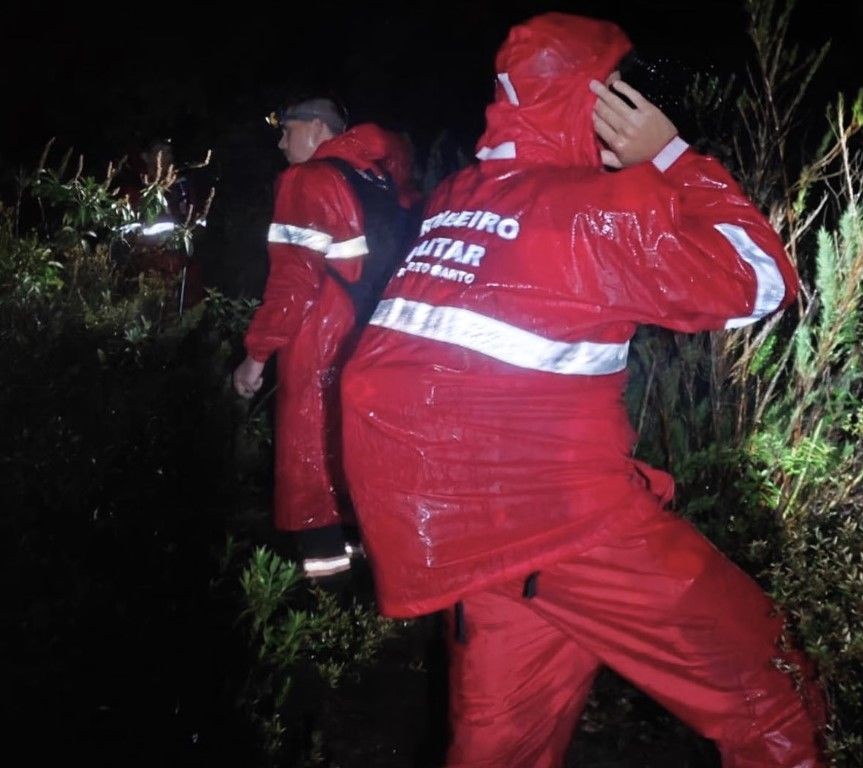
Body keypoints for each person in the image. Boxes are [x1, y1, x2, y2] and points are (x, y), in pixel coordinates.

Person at [340, 13, 825, 767]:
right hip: (567, 526)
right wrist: (666, 154)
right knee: (774, 696)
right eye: (623, 84)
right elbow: (760, 279)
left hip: (476, 540)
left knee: (501, 743)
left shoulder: (455, 199)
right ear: (591, 97)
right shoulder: (591, 212)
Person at [232, 96, 418, 578]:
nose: (280, 141)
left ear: (316, 128)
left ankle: (322, 614)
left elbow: (293, 283)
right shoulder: (378, 178)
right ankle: (367, 598)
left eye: (286, 129)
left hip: (319, 344)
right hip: (371, 341)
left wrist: (256, 356)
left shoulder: (308, 180)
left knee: (310, 476)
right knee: (354, 466)